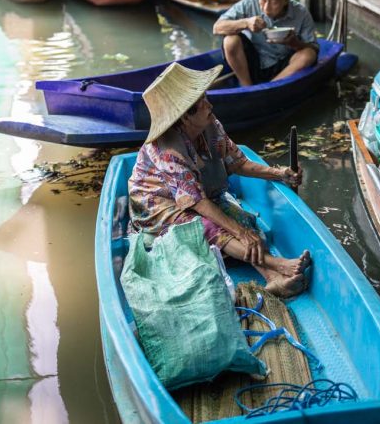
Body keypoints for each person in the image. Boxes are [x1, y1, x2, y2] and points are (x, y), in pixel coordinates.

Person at [128, 62, 310, 298]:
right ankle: (278, 265)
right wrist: (240, 233)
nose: (209, 104)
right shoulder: (166, 151)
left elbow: (238, 162)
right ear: (184, 117)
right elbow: (198, 203)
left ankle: (272, 279)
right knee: (207, 227)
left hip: (197, 195)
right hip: (157, 204)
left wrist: (279, 173)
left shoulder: (210, 124)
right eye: (201, 102)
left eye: (205, 97)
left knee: (244, 223)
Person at [213, 0, 317, 87]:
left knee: (308, 54)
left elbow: (314, 49)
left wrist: (294, 43)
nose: (266, 7)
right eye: (263, 0)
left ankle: (270, 87)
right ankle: (247, 87)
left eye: (274, 2)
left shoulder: (301, 12)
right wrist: (245, 23)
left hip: (285, 66)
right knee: (230, 40)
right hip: (253, 62)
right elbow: (217, 27)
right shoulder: (250, 2)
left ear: (286, 0)